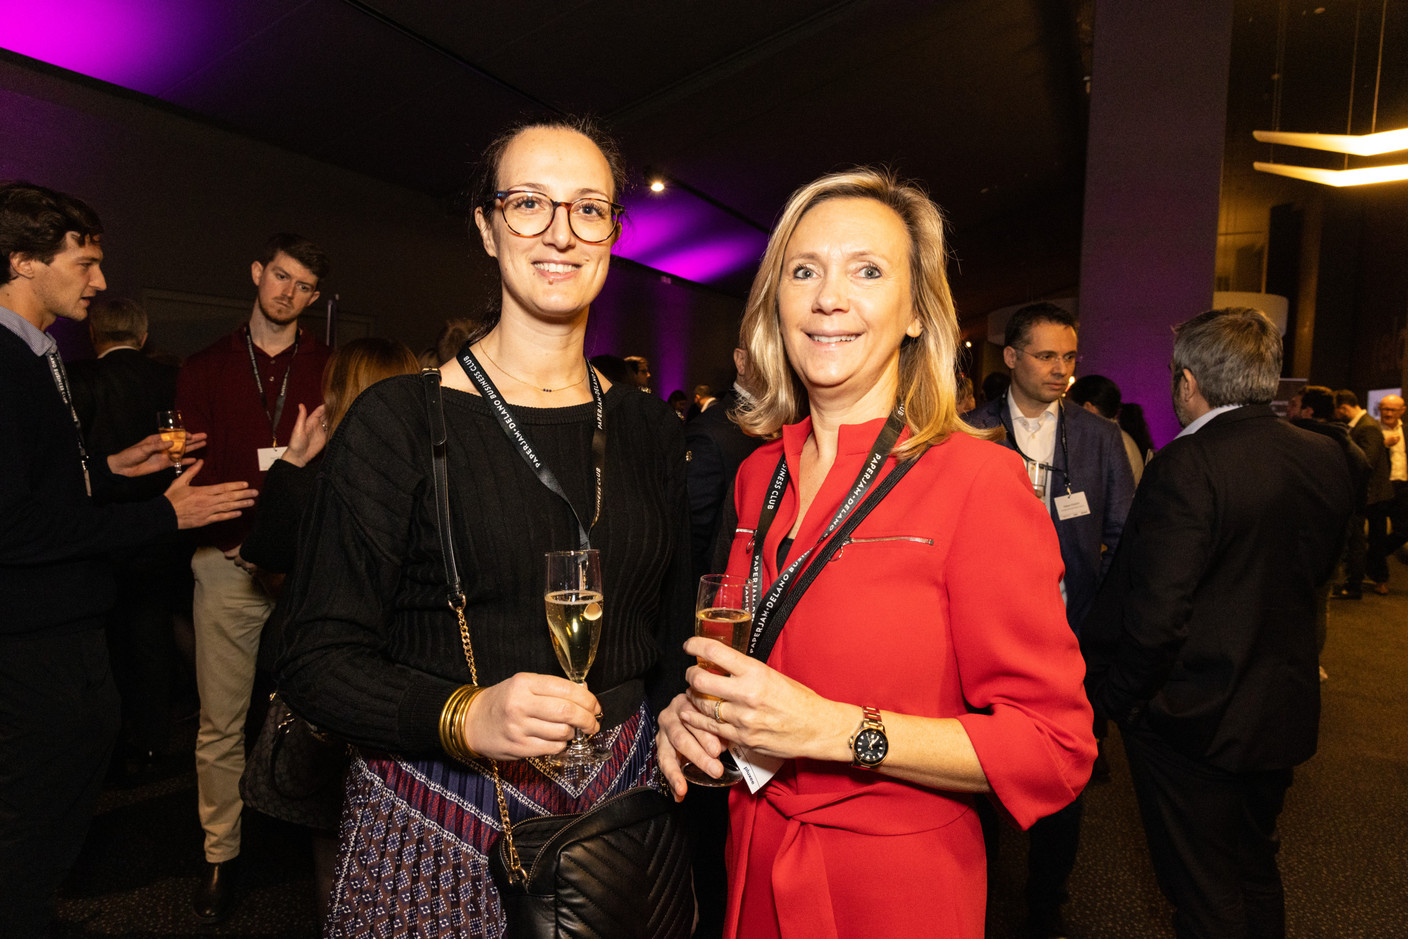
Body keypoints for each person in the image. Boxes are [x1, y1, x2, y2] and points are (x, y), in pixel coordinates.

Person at [276, 116, 693, 936]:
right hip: (437, 815)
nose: (560, 233)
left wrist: (681, 706)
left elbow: (670, 624)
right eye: (529, 203)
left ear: (612, 231)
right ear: (487, 226)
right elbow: (315, 658)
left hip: (619, 819)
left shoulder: (648, 428)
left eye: (588, 208)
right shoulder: (398, 420)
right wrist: (464, 716)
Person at [656, 168, 1096, 939]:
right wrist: (696, 718)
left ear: (918, 314)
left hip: (893, 893)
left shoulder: (976, 481)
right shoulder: (758, 476)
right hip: (750, 862)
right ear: (776, 303)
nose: (830, 297)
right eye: (804, 270)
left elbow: (1054, 747)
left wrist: (833, 731)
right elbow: (755, 664)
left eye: (867, 270)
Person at [0, 181, 256, 936]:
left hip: (67, 618)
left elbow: (48, 489)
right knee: (30, 810)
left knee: (64, 789)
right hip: (30, 632)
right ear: (20, 260)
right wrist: (162, 513)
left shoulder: (38, 353)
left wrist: (117, 468)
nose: (100, 281)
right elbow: (12, 527)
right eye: (84, 263)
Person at [1083, 308, 1354, 938]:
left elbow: (1157, 615)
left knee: (1202, 894)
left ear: (1187, 382)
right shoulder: (1326, 455)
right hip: (1280, 707)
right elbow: (1314, 573)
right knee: (1255, 869)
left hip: (1192, 720)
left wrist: (1120, 702)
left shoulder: (1187, 463)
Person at [174, 232, 333, 921]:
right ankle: (220, 855)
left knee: (328, 712)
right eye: (279, 276)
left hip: (304, 570)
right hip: (229, 563)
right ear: (256, 273)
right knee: (222, 721)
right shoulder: (205, 365)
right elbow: (192, 471)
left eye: (302, 285)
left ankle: (328, 842)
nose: (287, 292)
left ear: (315, 297)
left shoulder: (328, 365)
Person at [966, 302, 1134, 936]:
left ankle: (1046, 904)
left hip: (1072, 640)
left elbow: (1122, 537)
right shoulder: (967, 431)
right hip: (984, 639)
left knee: (1062, 778)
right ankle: (974, 892)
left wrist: (1101, 634)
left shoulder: (1098, 439)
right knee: (975, 772)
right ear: (1011, 358)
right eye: (1046, 356)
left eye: (1069, 357)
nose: (1061, 369)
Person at [238, 336, 418, 925]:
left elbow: (264, 550)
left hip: (335, 691)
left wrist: (293, 460)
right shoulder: (426, 472)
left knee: (334, 852)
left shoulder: (331, 475)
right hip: (404, 692)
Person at [67, 296, 186, 775]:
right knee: (155, 633)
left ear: (95, 333)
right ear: (143, 333)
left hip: (102, 530)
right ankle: (157, 737)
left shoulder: (78, 380)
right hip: (167, 523)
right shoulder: (173, 379)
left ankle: (115, 744)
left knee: (109, 642)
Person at [1332, 389, 1391, 599]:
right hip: (1367, 493)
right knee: (1362, 539)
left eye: (1337, 411)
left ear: (1345, 407)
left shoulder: (1367, 427)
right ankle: (1358, 579)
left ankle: (1355, 582)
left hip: (1369, 494)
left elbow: (1366, 461)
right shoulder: (1364, 425)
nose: (1336, 415)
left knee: (1360, 539)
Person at [1069, 372, 1145, 485]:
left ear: (1088, 408)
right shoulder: (1121, 438)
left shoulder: (1105, 442)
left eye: (1069, 407)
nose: (1065, 416)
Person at [1367, 394, 1406, 594]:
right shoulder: (1373, 430)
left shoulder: (1405, 431)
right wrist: (1382, 444)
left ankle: (1370, 558)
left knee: (1403, 530)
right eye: (1384, 409)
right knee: (1377, 532)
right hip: (1381, 488)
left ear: (1402, 410)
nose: (1388, 413)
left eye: (1392, 409)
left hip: (1403, 488)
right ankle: (1380, 578)